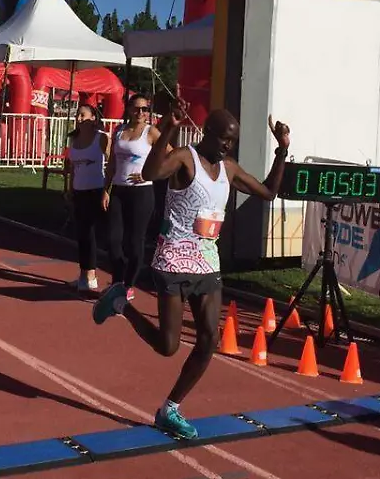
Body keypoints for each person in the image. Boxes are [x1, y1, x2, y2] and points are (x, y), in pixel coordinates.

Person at [93, 104, 290, 440]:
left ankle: (170, 409)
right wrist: (167, 127)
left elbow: (268, 192)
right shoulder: (186, 158)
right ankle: (120, 303)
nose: (228, 145)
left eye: (233, 141)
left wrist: (282, 151)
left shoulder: (228, 169)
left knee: (210, 339)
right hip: (173, 259)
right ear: (208, 133)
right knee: (168, 346)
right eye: (224, 138)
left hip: (207, 262)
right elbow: (152, 172)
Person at [103, 93, 166, 300]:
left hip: (142, 192)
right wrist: (105, 189)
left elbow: (171, 156)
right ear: (129, 109)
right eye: (136, 108)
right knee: (113, 240)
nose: (140, 113)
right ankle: (117, 281)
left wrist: (150, 174)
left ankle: (128, 284)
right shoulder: (119, 131)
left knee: (134, 241)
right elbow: (112, 163)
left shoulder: (151, 132)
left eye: (144, 109)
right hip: (119, 191)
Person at [64, 104, 109, 291]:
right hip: (79, 191)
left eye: (83, 115)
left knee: (90, 234)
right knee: (82, 234)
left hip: (96, 190)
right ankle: (84, 274)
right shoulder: (74, 140)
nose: (79, 118)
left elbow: (113, 162)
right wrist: (70, 189)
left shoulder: (101, 138)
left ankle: (91, 276)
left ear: (93, 118)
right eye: (77, 115)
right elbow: (73, 168)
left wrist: (107, 189)